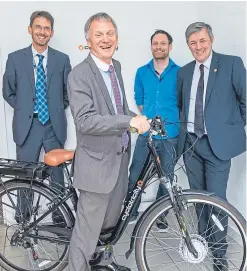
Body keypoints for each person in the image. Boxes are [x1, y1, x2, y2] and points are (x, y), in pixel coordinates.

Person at [67, 12, 150, 271]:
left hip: (118, 159)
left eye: (110, 33)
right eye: (99, 34)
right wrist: (127, 122)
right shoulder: (79, 74)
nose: (106, 39)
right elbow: (85, 121)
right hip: (96, 166)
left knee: (109, 224)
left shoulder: (116, 67)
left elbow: (119, 107)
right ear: (88, 40)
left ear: (117, 37)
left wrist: (138, 118)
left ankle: (102, 262)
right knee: (86, 233)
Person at [177, 22, 246, 271]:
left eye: (202, 41)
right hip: (192, 146)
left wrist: (229, 128)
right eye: (193, 43)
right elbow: (181, 106)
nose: (198, 47)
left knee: (216, 201)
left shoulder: (231, 64)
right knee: (198, 200)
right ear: (188, 45)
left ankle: (219, 255)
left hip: (218, 147)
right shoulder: (184, 72)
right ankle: (203, 241)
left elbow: (244, 100)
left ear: (211, 39)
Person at [2, 10, 71, 223]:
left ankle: (61, 218)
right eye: (38, 27)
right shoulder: (15, 58)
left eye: (46, 28)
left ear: (52, 32)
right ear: (30, 29)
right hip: (27, 127)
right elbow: (8, 91)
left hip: (53, 125)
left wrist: (54, 110)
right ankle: (24, 220)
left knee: (57, 175)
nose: (42, 32)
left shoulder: (62, 59)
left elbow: (68, 93)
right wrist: (25, 110)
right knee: (26, 175)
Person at [127, 30, 180, 229]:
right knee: (135, 174)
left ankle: (160, 214)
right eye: (155, 43)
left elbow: (182, 102)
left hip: (170, 135)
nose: (158, 47)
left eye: (162, 43)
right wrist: (148, 121)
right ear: (151, 46)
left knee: (166, 177)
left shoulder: (179, 72)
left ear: (170, 46)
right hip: (146, 134)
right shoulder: (142, 72)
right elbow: (139, 100)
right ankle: (131, 211)